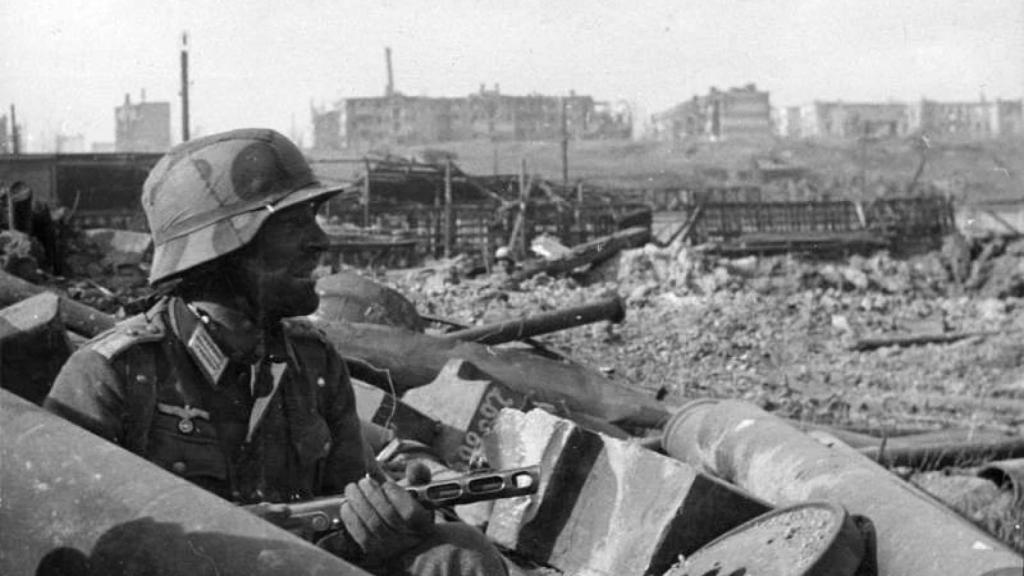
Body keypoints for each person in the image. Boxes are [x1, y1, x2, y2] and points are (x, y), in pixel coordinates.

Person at [44, 128, 507, 576]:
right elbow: (61, 545)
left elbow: (347, 510)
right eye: (292, 223)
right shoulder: (113, 374)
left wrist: (386, 524)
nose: (320, 241)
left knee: (459, 555)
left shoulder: (313, 362)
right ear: (222, 249)